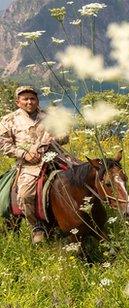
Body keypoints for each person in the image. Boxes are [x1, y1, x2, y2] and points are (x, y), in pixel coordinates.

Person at [0, 86, 69, 244]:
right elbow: (4, 145)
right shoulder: (8, 120)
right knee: (24, 194)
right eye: (25, 99)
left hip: (55, 157)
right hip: (29, 164)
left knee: (84, 176)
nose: (29, 102)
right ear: (18, 102)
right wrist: (25, 154)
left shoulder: (48, 116)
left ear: (37, 100)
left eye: (32, 98)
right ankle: (37, 226)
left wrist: (56, 138)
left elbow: (65, 136)